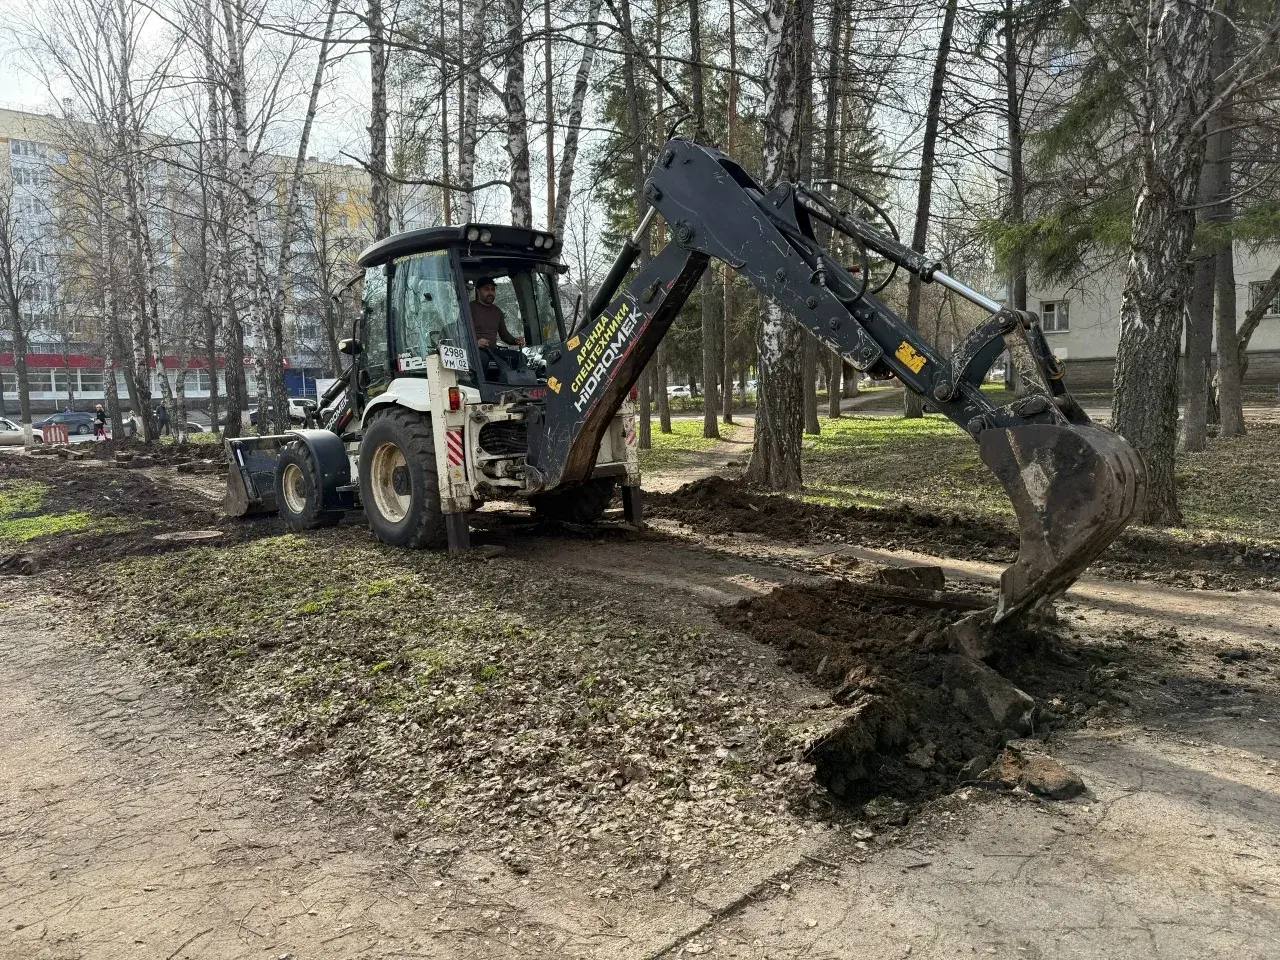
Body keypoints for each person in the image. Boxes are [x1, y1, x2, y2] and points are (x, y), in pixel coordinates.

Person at [470, 277, 525, 350]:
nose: (490, 293)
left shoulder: (497, 312)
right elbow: (460, 335)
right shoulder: (469, 308)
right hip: (474, 352)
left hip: (493, 352)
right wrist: (476, 343)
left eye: (493, 289)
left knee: (519, 358)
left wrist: (516, 341)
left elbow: (504, 335)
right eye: (486, 289)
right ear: (478, 291)